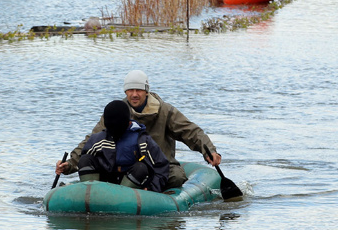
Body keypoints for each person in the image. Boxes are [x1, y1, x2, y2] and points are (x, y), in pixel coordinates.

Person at [56, 70, 221, 188]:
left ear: (146, 91)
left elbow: (191, 131)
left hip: (158, 164)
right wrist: (69, 164)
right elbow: (92, 140)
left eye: (139, 90)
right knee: (91, 162)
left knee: (177, 177)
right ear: (125, 91)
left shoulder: (165, 111)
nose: (135, 94)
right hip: (121, 164)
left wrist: (209, 151)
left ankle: (153, 196)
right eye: (130, 90)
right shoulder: (116, 112)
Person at [74, 100, 169, 192]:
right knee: (85, 159)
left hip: (132, 180)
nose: (114, 130)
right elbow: (83, 159)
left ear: (128, 123)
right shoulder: (99, 139)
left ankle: (123, 196)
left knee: (141, 168)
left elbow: (161, 167)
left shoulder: (142, 141)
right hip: (106, 179)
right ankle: (90, 192)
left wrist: (151, 187)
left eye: (117, 127)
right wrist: (68, 166)